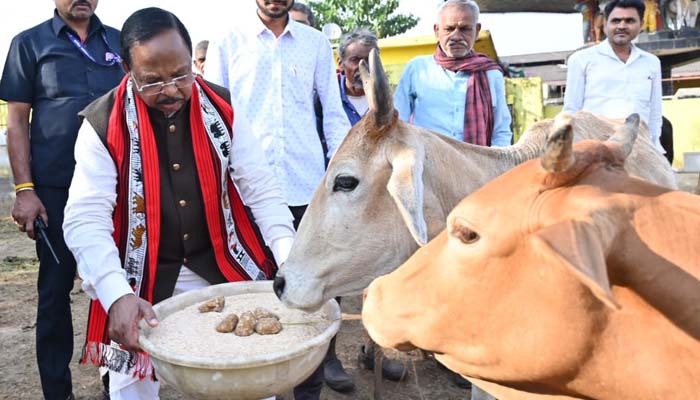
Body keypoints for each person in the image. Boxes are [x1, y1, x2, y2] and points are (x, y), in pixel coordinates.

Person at [62, 7, 296, 399]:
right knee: (129, 385)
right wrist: (116, 294)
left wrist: (288, 257)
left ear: (191, 60)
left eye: (181, 74)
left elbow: (262, 189)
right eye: (152, 81)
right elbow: (85, 218)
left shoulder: (222, 108)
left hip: (225, 263)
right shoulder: (102, 124)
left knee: (249, 377)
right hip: (135, 279)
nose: (171, 89)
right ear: (127, 69)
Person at [205, 2, 351, 397]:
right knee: (253, 290)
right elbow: (213, 114)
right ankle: (259, 382)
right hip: (247, 190)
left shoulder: (316, 42)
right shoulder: (227, 41)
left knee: (314, 290)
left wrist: (335, 177)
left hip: (307, 187)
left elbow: (334, 113)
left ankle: (312, 383)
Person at [0, 1, 124, 398]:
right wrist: (25, 190)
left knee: (117, 285)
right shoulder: (29, 44)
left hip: (115, 188)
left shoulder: (122, 42)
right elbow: (17, 119)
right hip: (54, 191)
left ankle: (117, 381)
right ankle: (58, 392)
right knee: (54, 292)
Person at [394, 0, 513, 148]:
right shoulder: (417, 69)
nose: (456, 36)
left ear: (477, 30)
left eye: (465, 29)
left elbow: (501, 131)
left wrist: (494, 166)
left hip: (475, 165)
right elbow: (398, 125)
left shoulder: (491, 74)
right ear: (437, 31)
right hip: (428, 165)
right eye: (449, 29)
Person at [563, 0, 664, 153]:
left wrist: (654, 146)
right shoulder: (581, 60)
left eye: (630, 21)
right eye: (616, 20)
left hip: (640, 148)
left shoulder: (651, 62)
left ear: (641, 24)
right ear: (605, 24)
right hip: (596, 149)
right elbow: (571, 109)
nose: (622, 26)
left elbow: (655, 112)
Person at [336, 28, 379, 126]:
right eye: (355, 59)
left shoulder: (385, 99)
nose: (363, 66)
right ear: (340, 64)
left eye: (369, 60)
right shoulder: (328, 99)